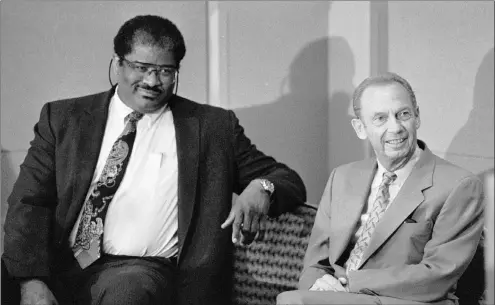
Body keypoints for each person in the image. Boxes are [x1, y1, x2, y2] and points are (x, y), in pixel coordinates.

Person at [2, 15, 306, 305]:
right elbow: (29, 202)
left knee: (128, 291)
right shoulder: (64, 119)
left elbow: (286, 179)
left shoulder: (211, 128)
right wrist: (31, 281)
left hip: (142, 273)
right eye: (141, 67)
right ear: (117, 64)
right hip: (59, 265)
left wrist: (262, 188)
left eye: (165, 71)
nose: (152, 80)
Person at [277, 72, 484, 305]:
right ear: (360, 128)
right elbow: (316, 263)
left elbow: (437, 275)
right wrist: (318, 283)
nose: (395, 127)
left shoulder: (459, 185)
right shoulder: (342, 177)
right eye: (380, 118)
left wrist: (350, 285)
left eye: (403, 114)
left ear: (417, 118)